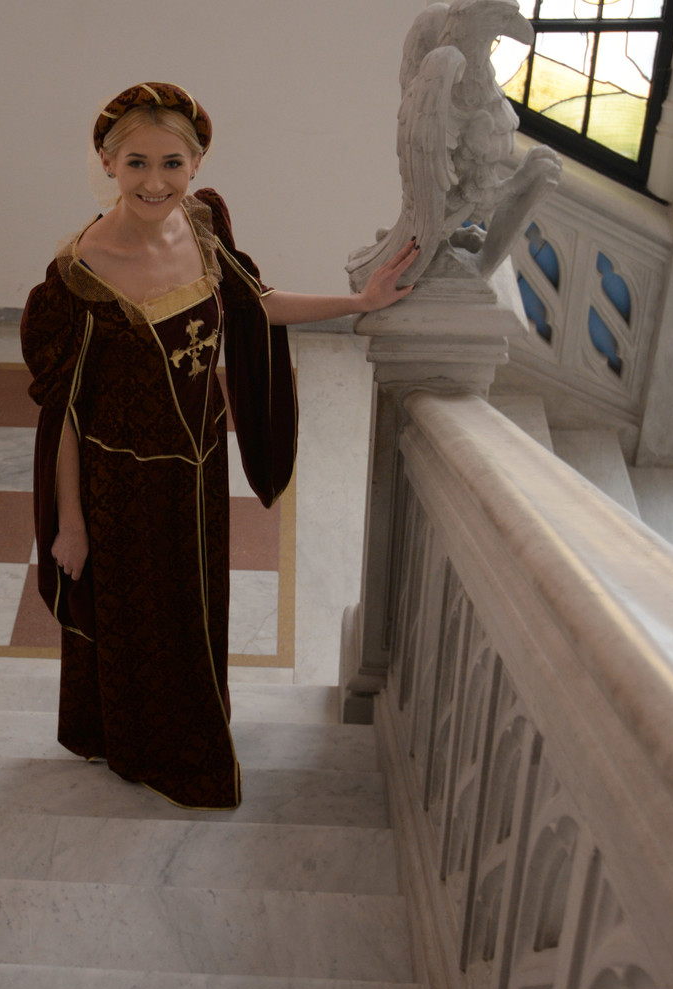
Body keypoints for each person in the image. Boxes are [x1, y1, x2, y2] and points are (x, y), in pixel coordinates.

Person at [22, 81, 418, 810]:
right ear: (107, 163)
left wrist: (360, 302)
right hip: (120, 486)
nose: (155, 182)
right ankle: (145, 749)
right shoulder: (78, 276)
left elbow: (255, 306)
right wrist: (70, 524)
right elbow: (66, 412)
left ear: (197, 163)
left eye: (172, 163)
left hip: (198, 474)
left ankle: (192, 730)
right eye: (136, 163)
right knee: (138, 623)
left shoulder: (201, 226)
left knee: (193, 614)